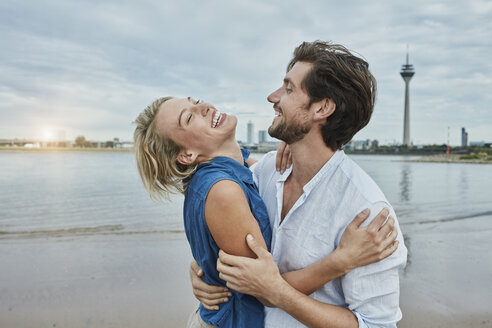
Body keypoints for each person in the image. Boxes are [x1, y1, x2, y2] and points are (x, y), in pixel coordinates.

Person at [190, 41, 408, 328]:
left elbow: (376, 325)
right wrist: (200, 270)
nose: (273, 97)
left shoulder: (369, 213)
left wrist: (278, 294)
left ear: (322, 108)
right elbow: (227, 236)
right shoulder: (266, 171)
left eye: (289, 89)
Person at [134, 94, 399, 327]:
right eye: (189, 118)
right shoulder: (223, 191)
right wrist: (342, 261)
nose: (203, 107)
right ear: (188, 155)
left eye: (195, 101)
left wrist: (293, 142)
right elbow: (263, 290)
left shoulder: (236, 167)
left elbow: (246, 164)